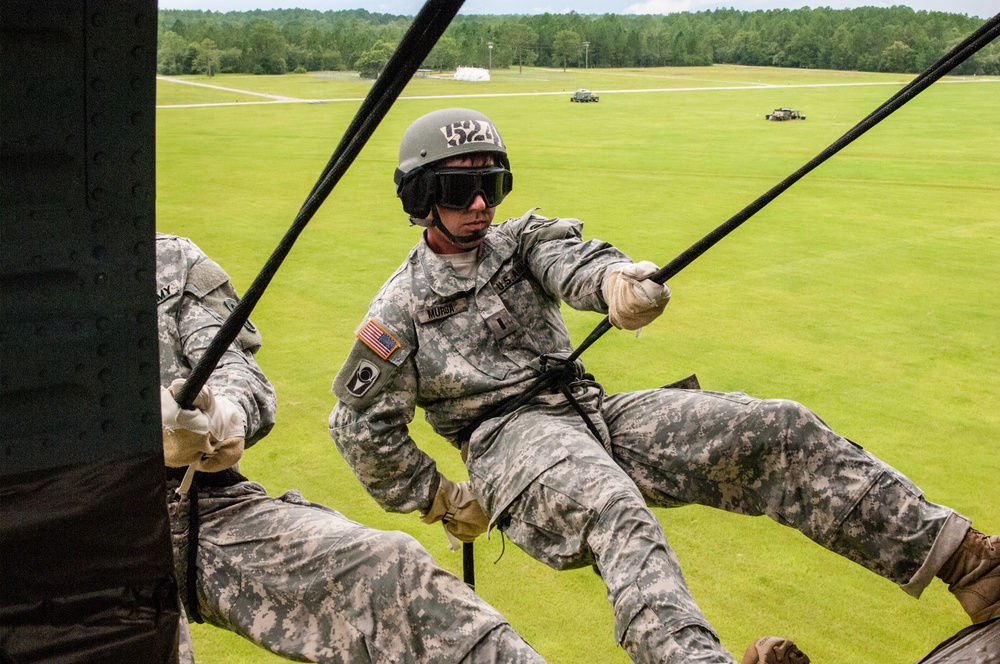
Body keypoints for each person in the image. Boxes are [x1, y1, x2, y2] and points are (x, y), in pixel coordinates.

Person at [327, 108, 1000, 664]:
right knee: (613, 509)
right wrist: (440, 498)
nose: (479, 205)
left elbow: (575, 260)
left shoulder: (521, 240)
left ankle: (970, 566)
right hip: (509, 447)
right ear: (421, 200)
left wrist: (619, 284)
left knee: (775, 428)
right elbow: (358, 425)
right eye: (456, 190)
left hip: (591, 413)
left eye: (490, 185)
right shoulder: (398, 310)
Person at [156, 232, 546, 664]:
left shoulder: (170, 259)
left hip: (202, 507)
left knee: (392, 567)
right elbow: (357, 425)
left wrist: (219, 418)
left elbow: (234, 368)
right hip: (81, 534)